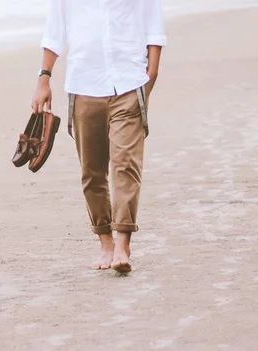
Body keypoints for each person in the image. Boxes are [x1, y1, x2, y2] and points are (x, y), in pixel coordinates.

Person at [32, 0, 166, 273]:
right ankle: (105, 241)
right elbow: (54, 33)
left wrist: (150, 76)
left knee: (125, 165)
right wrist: (43, 79)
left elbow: (153, 26)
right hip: (84, 85)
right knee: (92, 171)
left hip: (129, 82)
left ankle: (123, 243)